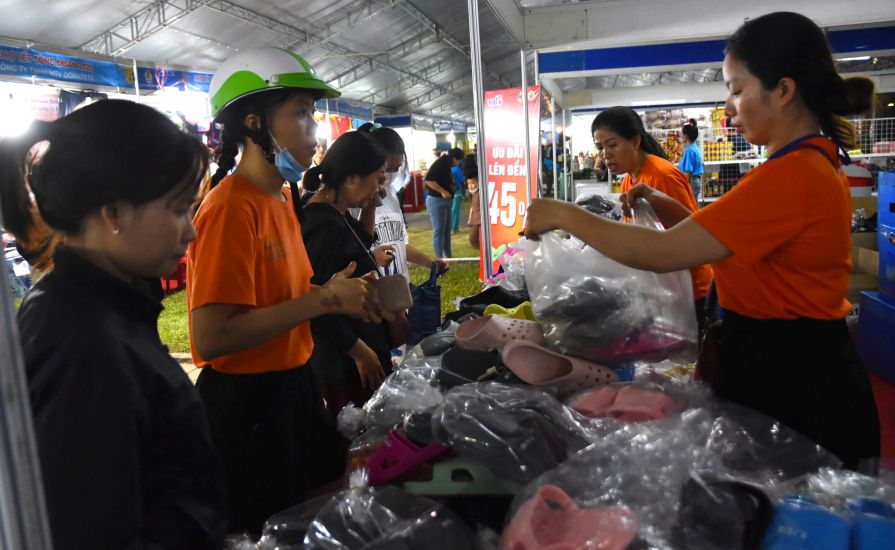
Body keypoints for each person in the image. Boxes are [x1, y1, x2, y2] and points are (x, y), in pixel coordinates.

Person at [524, 12, 880, 471]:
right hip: (785, 362)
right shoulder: (803, 164)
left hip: (793, 381)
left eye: (736, 89)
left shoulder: (793, 175)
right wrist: (659, 203)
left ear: (784, 91)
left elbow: (660, 253)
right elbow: (710, 235)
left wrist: (562, 212)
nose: (728, 107)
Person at [0, 100, 226, 548]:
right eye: (179, 209)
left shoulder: (101, 306)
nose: (191, 231)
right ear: (114, 212)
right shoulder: (81, 344)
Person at [188, 47, 376, 534]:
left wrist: (340, 294)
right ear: (254, 124)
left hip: (294, 390)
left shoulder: (283, 197)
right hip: (247, 409)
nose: (313, 129)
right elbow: (212, 337)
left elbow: (285, 295)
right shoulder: (230, 208)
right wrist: (323, 299)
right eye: (300, 113)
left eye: (312, 113)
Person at [591, 106, 714, 336]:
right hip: (665, 290)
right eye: (600, 148)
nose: (605, 154)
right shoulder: (630, 180)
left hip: (692, 291)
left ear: (635, 141)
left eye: (612, 145)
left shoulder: (662, 175)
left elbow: (694, 233)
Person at [300, 131, 397, 416]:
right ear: (352, 177)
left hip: (356, 352)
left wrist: (370, 204)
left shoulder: (336, 213)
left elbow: (360, 247)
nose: (381, 188)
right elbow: (315, 302)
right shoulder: (321, 225)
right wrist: (360, 352)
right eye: (378, 178)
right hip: (343, 363)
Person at [356, 123, 447, 280]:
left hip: (399, 290)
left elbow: (400, 244)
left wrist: (429, 262)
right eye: (386, 168)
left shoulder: (391, 194)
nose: (390, 175)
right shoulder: (355, 201)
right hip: (371, 293)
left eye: (396, 168)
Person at [424, 147, 464, 258]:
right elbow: (428, 179)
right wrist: (443, 191)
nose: (459, 164)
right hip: (436, 201)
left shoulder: (447, 165)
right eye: (459, 161)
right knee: (439, 231)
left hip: (446, 201)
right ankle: (439, 258)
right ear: (455, 158)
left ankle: (448, 257)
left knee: (446, 231)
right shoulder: (441, 163)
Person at [679, 123, 705, 200]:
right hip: (695, 181)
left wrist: (682, 186)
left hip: (691, 182)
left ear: (686, 137)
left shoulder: (689, 151)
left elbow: (688, 172)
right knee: (693, 206)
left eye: (682, 135)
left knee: (690, 207)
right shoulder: (695, 148)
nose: (681, 137)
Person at [465, 153, 482, 250]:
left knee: (473, 238)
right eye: (469, 184)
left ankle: (482, 255)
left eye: (473, 183)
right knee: (473, 239)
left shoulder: (478, 193)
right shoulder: (474, 193)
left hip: (479, 220)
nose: (471, 186)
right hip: (476, 219)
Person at [451, 158, 465, 233]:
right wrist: (463, 193)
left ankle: (450, 228)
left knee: (449, 210)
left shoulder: (448, 169)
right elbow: (462, 180)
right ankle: (454, 228)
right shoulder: (457, 169)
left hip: (448, 192)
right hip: (456, 190)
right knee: (455, 210)